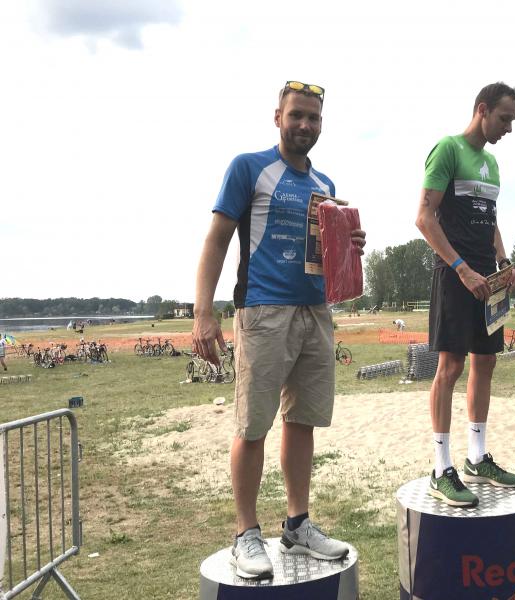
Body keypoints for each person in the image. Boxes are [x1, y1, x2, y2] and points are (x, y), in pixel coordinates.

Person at [192, 81, 366, 579]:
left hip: (315, 311)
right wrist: (203, 312)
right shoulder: (249, 167)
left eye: (314, 117)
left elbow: (328, 254)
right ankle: (245, 533)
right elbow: (216, 240)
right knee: (253, 426)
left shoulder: (325, 184)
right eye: (297, 115)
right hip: (264, 310)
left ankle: (297, 524)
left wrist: (351, 243)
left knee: (302, 421)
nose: (305, 125)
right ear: (278, 117)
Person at [415, 82, 515, 508]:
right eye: (504, 119)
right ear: (482, 109)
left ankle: (477, 457)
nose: (508, 128)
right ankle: (441, 467)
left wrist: (503, 262)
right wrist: (461, 268)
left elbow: (489, 218)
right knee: (451, 366)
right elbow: (424, 218)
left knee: (486, 362)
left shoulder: (492, 163)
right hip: (454, 275)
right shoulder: (448, 149)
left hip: (487, 280)